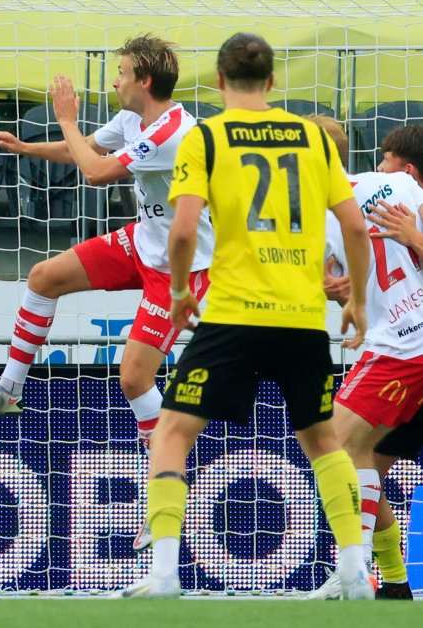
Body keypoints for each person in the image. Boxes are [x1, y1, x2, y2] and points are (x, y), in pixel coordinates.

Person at [119, 33, 372, 598]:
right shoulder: (313, 137)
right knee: (323, 440)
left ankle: (163, 574)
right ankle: (354, 570)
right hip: (303, 316)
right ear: (274, 82)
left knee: (172, 434)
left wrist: (182, 290)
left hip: (233, 313)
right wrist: (355, 298)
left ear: (217, 79)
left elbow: (183, 230)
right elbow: (354, 226)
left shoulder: (205, 136)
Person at [0, 33, 214, 549]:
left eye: (121, 71)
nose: (115, 79)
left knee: (134, 378)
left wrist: (67, 118)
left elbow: (96, 171)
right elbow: (88, 148)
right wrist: (26, 145)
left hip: (183, 269)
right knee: (43, 279)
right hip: (143, 243)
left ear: (144, 80)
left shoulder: (174, 131)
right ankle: (9, 388)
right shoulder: (131, 121)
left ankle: (166, 492)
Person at [306, 121, 423, 600]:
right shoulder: (386, 187)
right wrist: (342, 290)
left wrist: (415, 235)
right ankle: (391, 582)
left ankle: (352, 571)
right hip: (392, 342)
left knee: (334, 444)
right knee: (363, 459)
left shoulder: (387, 186)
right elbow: (359, 279)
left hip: (405, 346)